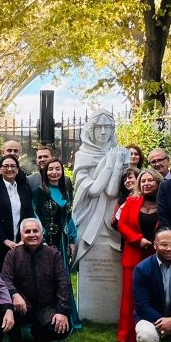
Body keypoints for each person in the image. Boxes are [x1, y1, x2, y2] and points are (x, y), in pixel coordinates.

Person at [1, 218, 72, 342]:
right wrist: (14, 294)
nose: (32, 234)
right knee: (6, 306)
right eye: (27, 231)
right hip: (21, 305)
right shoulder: (13, 254)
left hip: (46, 307)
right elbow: (5, 279)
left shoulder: (53, 254)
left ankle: (38, 335)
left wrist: (62, 312)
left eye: (35, 231)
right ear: (22, 235)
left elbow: (63, 282)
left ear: (41, 233)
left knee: (62, 329)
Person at [114, 169, 162, 342]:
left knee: (154, 296)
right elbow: (122, 225)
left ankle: (154, 333)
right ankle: (126, 335)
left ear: (158, 183)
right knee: (129, 297)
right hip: (133, 254)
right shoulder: (131, 201)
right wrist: (137, 239)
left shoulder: (164, 203)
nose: (146, 183)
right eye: (143, 181)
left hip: (157, 256)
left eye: (150, 180)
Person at [71, 109, 123, 267]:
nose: (103, 131)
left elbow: (112, 191)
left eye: (108, 127)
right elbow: (93, 190)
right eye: (99, 126)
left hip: (110, 218)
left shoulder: (119, 153)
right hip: (88, 215)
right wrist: (109, 165)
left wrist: (117, 165)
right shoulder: (82, 155)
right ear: (91, 129)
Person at [0, 153, 34, 270]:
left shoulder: (24, 189)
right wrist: (4, 240)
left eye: (13, 166)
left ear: (17, 170)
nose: (9, 169)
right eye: (5, 166)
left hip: (21, 243)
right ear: (0, 170)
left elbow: (28, 214)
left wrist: (23, 239)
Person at [32, 157, 77, 284]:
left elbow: (68, 217)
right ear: (45, 172)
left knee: (63, 274)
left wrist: (72, 240)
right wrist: (41, 238)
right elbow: (35, 215)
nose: (54, 172)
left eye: (57, 169)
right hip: (46, 241)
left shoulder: (65, 192)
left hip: (63, 241)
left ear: (62, 171)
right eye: (50, 169)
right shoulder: (39, 192)